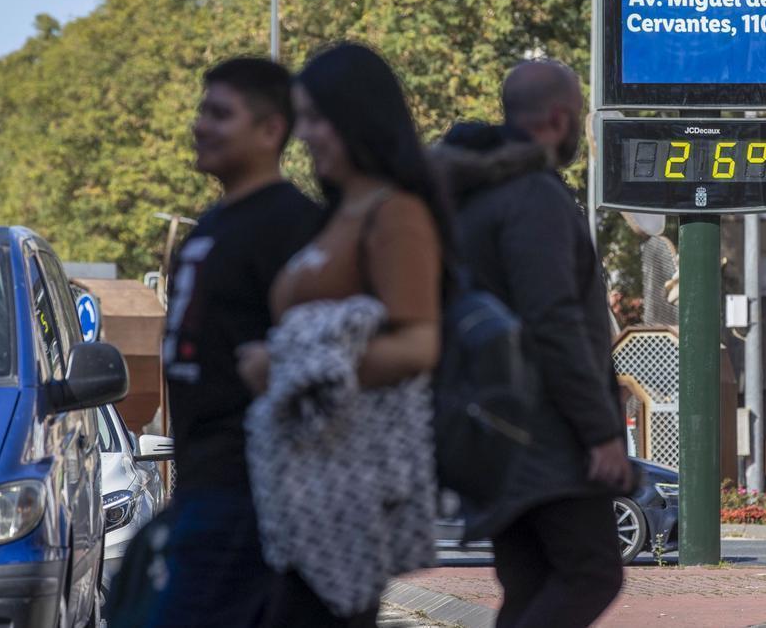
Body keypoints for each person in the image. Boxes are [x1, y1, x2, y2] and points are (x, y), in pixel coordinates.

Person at [237, 42, 451, 627]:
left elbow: (418, 344)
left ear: (355, 118)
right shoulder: (336, 214)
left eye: (313, 119)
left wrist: (284, 366)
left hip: (345, 490)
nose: (301, 135)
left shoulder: (396, 214)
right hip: (301, 483)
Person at [431, 60, 632, 628]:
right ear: (559, 117)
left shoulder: (470, 199)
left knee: (529, 583)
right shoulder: (535, 196)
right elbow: (554, 321)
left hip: (489, 431)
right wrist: (599, 433)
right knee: (592, 572)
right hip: (549, 433)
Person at [151, 57, 322, 627]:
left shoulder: (292, 227)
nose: (201, 125)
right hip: (202, 488)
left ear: (272, 130)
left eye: (220, 114)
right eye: (203, 111)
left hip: (253, 497)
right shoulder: (210, 224)